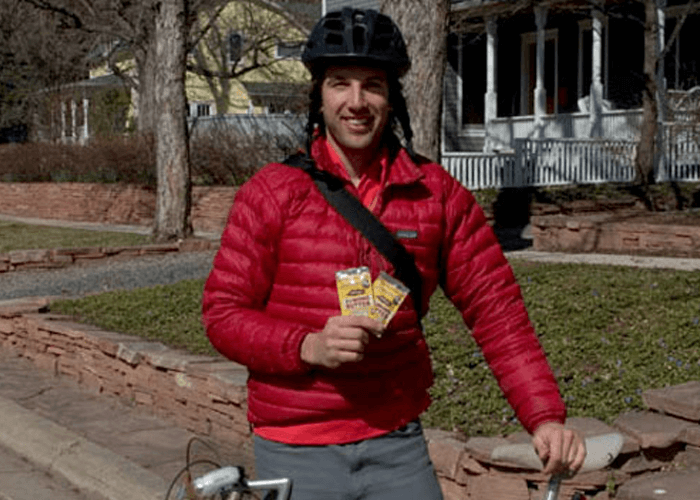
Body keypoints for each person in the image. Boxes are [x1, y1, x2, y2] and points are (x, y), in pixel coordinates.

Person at [202, 7, 586, 499]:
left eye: (373, 85)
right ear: (318, 96)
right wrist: (307, 346)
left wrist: (545, 416)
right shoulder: (273, 191)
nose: (356, 101)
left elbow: (498, 313)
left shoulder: (437, 196)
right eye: (340, 83)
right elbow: (222, 314)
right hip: (296, 443)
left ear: (392, 97)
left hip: (396, 442)